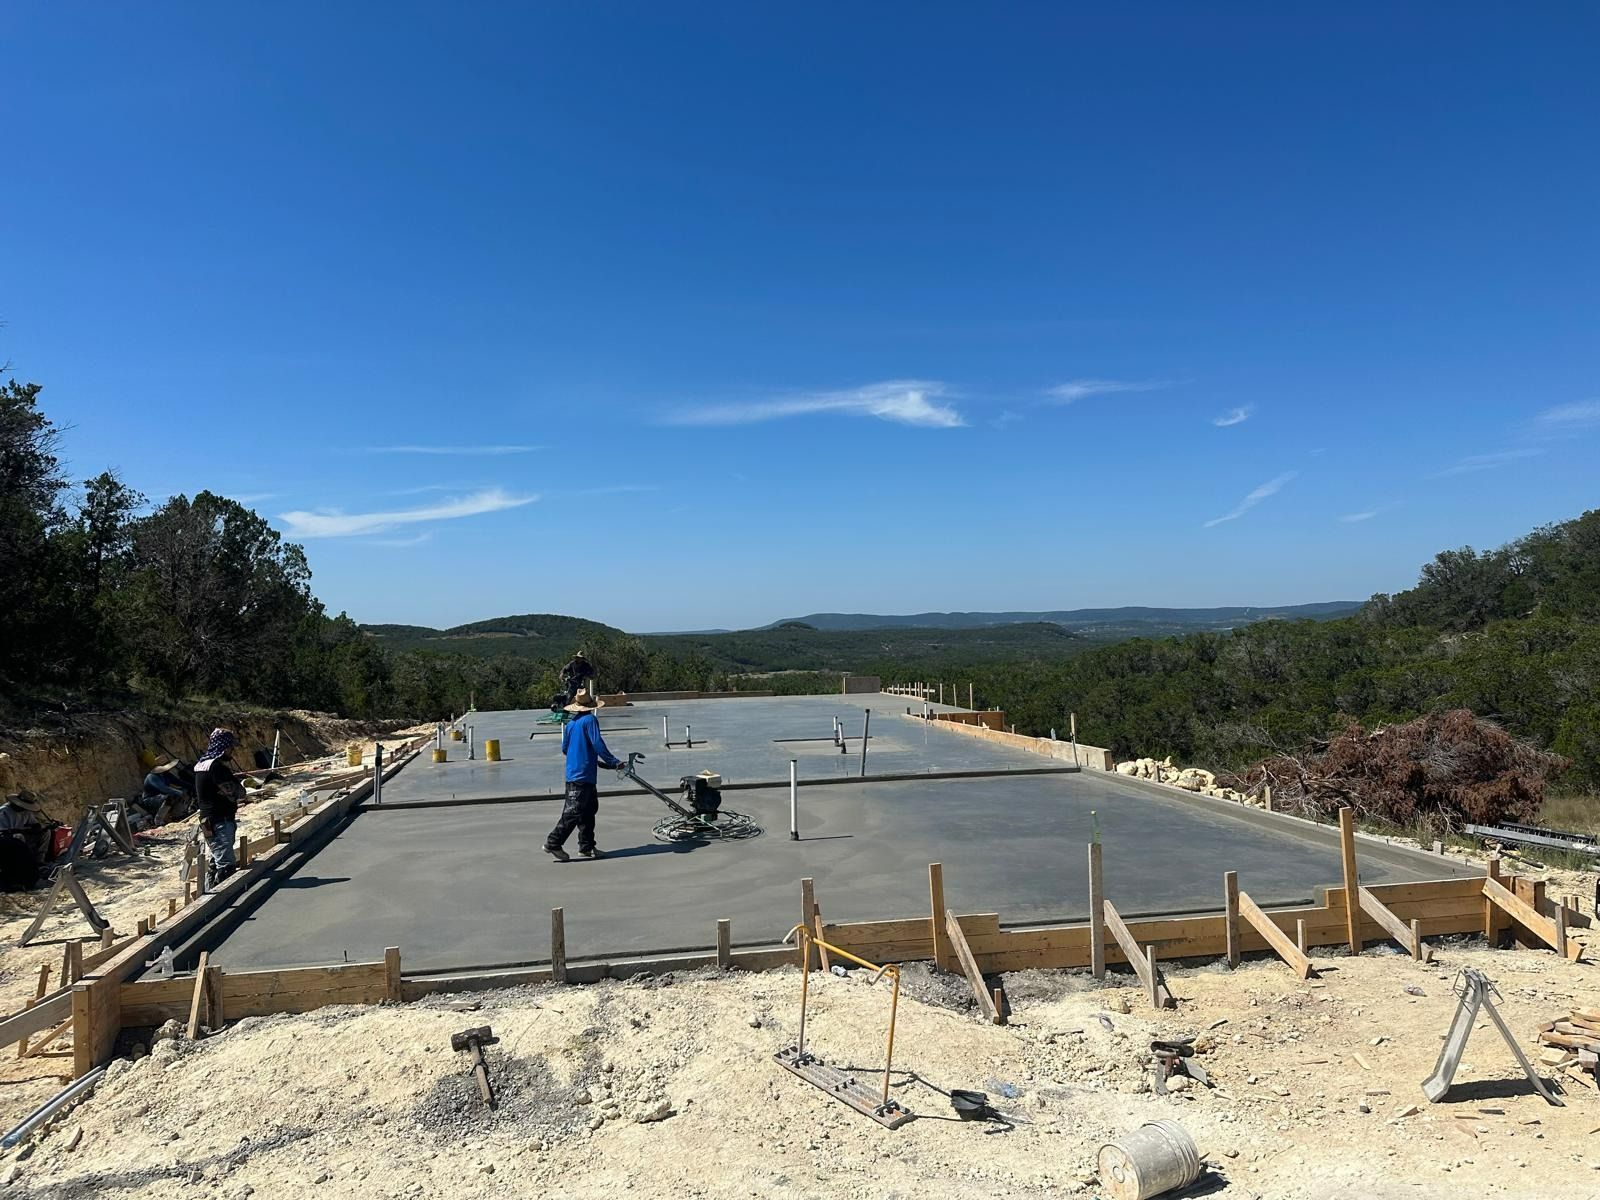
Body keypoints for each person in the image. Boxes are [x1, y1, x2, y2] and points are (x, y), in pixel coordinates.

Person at [545, 692, 620, 862]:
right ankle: (553, 843)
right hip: (582, 773)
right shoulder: (590, 720)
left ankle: (586, 846)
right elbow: (597, 743)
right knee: (573, 811)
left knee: (588, 810)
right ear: (591, 706)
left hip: (574, 772)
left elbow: (565, 748)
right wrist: (614, 762)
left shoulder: (571, 724)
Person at [194, 729, 243, 887]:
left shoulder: (202, 765)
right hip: (219, 821)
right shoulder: (217, 768)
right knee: (226, 866)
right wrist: (236, 788)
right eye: (230, 747)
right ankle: (221, 902)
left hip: (210, 820)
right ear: (223, 747)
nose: (231, 751)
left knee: (216, 862)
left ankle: (208, 893)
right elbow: (238, 792)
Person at [0, 790, 49, 891]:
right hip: (7, 840)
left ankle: (40, 861)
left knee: (46, 833)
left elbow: (34, 824)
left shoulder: (25, 811)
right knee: (18, 837)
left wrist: (37, 828)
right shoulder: (4, 811)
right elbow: (3, 832)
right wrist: (23, 831)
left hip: (23, 835)